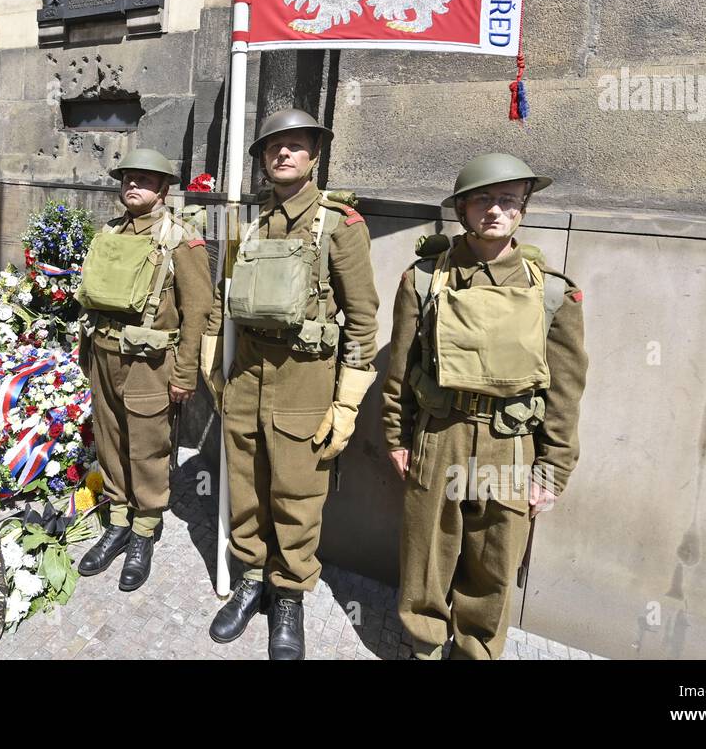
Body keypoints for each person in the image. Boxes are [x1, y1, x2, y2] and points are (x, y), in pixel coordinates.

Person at [380, 153, 588, 660]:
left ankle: (476, 651)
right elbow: (401, 370)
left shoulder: (554, 293)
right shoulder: (424, 280)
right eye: (483, 200)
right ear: (462, 209)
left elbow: (564, 391)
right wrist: (397, 436)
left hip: (509, 445)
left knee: (494, 562)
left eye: (508, 201)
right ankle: (424, 646)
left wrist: (553, 469)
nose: (496, 211)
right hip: (439, 435)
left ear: (522, 210)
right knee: (426, 556)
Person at [202, 109, 379, 660]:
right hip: (247, 377)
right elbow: (220, 306)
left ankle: (289, 596)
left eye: (296, 145)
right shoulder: (244, 226)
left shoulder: (341, 226)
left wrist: (346, 404)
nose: (283, 154)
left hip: (306, 382)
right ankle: (251, 577)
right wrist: (216, 374)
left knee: (298, 498)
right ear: (261, 158)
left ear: (314, 155)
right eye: (274, 147)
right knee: (246, 489)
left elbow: (364, 322)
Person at [74, 148, 212, 591]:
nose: (133, 185)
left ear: (164, 188)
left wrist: (185, 373)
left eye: (145, 179)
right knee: (111, 440)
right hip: (103, 354)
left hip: (149, 364)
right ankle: (117, 520)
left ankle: (144, 529)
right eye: (128, 177)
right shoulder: (110, 232)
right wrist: (86, 353)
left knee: (148, 448)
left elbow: (199, 312)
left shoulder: (181, 239)